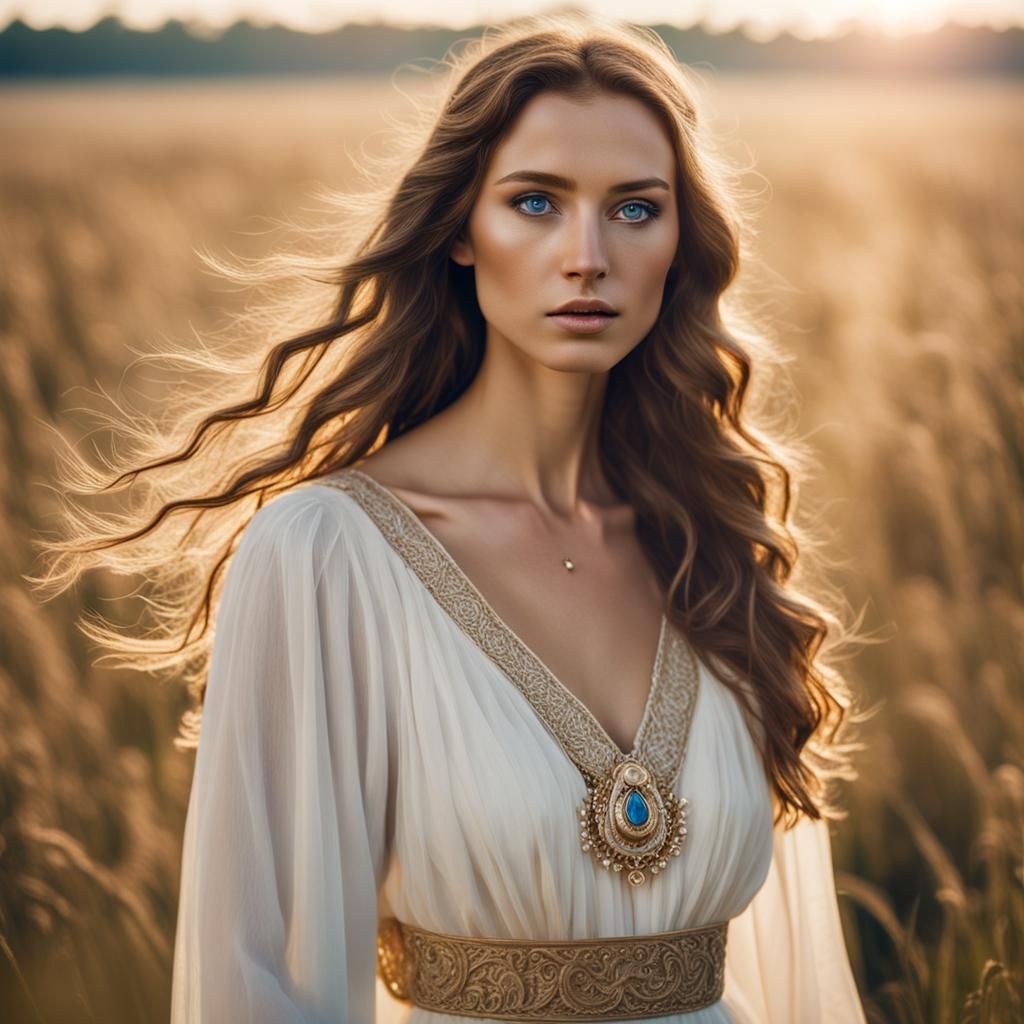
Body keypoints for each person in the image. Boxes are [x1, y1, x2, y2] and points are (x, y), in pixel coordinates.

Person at [38, 12, 867, 1022]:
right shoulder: (326, 554)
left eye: (635, 210)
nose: (587, 255)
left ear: (679, 245)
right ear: (461, 233)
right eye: (534, 202)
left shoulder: (709, 545)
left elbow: (786, 964)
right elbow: (257, 980)